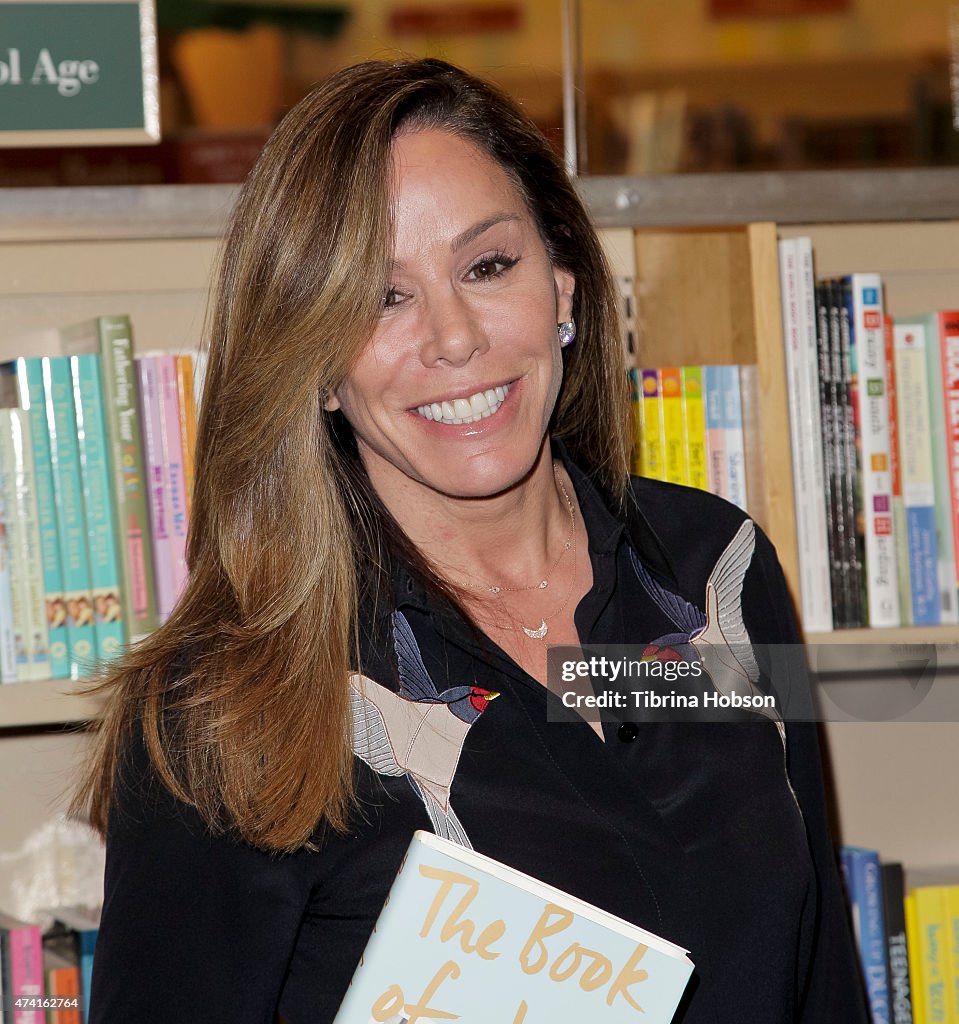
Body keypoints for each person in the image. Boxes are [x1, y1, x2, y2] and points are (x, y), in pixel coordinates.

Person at [75, 58, 868, 1023]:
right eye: (379, 296)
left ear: (564, 288)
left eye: (487, 266)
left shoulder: (715, 570)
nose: (452, 339)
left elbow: (821, 968)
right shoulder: (228, 707)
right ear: (315, 366)